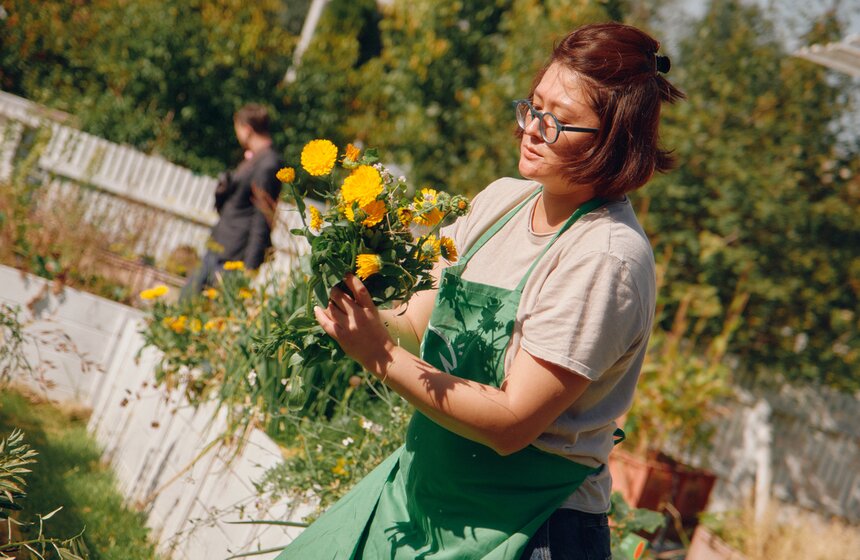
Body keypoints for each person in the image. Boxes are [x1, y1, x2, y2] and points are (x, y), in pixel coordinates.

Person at [277, 22, 684, 560]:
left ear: (615, 141)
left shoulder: (606, 257)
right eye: (532, 108)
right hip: (430, 494)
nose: (533, 129)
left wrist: (377, 356)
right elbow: (420, 323)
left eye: (558, 121)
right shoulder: (501, 202)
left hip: (529, 527)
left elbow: (513, 423)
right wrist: (359, 293)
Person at [182, 104, 284, 297]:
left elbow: (264, 216)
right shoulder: (255, 158)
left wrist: (250, 266)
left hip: (233, 257)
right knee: (186, 303)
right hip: (218, 247)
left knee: (205, 314)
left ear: (247, 129)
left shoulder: (268, 164)